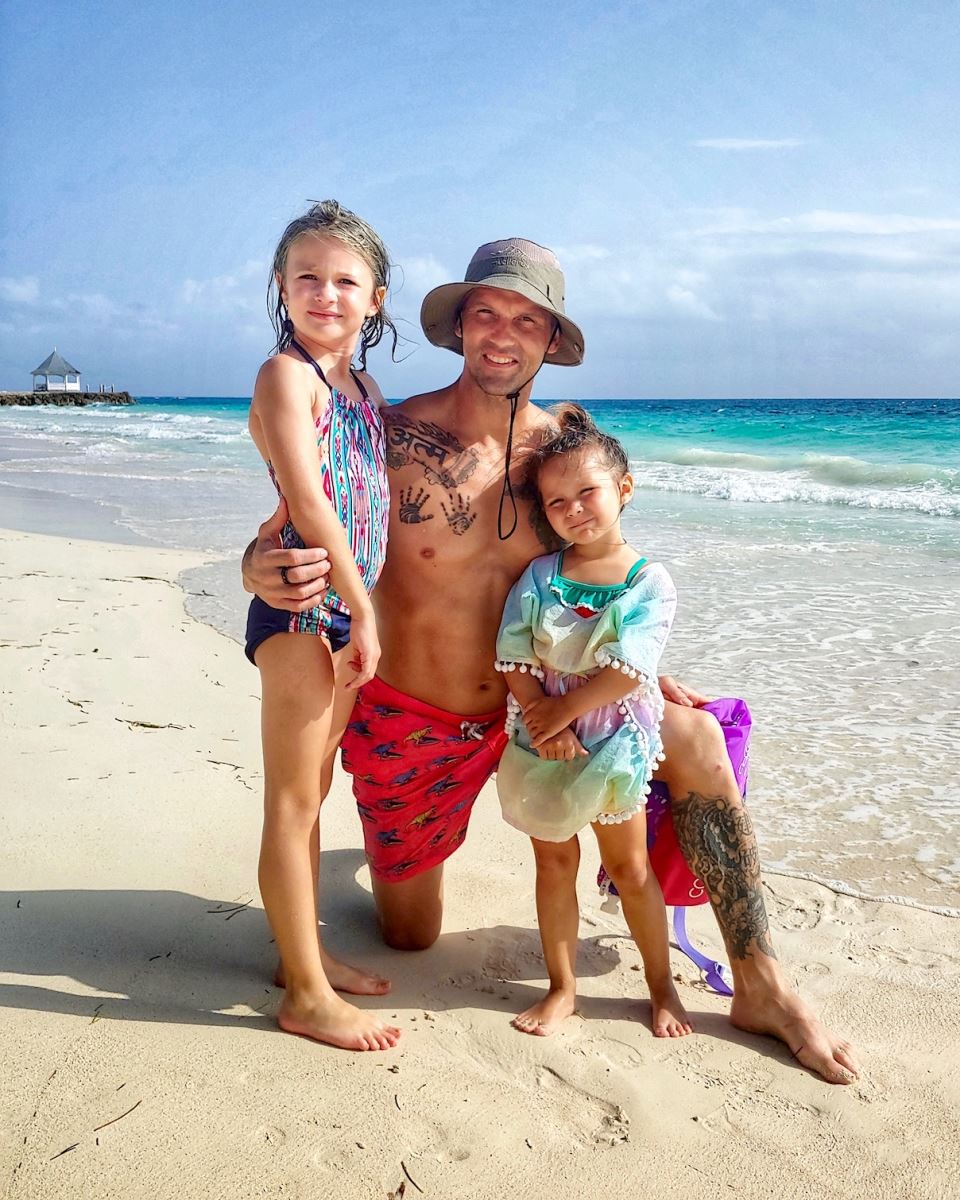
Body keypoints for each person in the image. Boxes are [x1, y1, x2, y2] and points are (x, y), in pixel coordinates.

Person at [243, 238, 860, 1083]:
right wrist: (253, 561)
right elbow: (309, 506)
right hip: (422, 714)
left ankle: (762, 982)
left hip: (560, 698)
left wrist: (642, 662)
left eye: (527, 321)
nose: (504, 335)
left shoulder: (569, 447)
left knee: (699, 740)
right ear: (460, 326)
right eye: (487, 314)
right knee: (409, 933)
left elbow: (617, 559)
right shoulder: (393, 430)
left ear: (550, 341)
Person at [244, 199, 400, 1051]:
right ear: (281, 286)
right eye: (308, 276)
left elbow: (370, 494)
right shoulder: (287, 375)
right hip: (306, 608)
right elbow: (309, 504)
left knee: (321, 789)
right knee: (293, 798)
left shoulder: (362, 386)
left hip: (345, 607)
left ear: (374, 297)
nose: (326, 293)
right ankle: (304, 992)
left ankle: (296, 957)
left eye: (346, 280)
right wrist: (362, 610)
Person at [495, 403, 692, 1038]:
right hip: (541, 741)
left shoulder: (647, 581)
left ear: (623, 489)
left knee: (630, 869)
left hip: (614, 744)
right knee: (553, 863)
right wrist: (541, 719)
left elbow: (630, 667)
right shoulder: (540, 574)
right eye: (556, 503)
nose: (574, 510)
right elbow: (513, 652)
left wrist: (565, 713)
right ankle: (562, 987)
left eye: (588, 493)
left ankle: (662, 989)